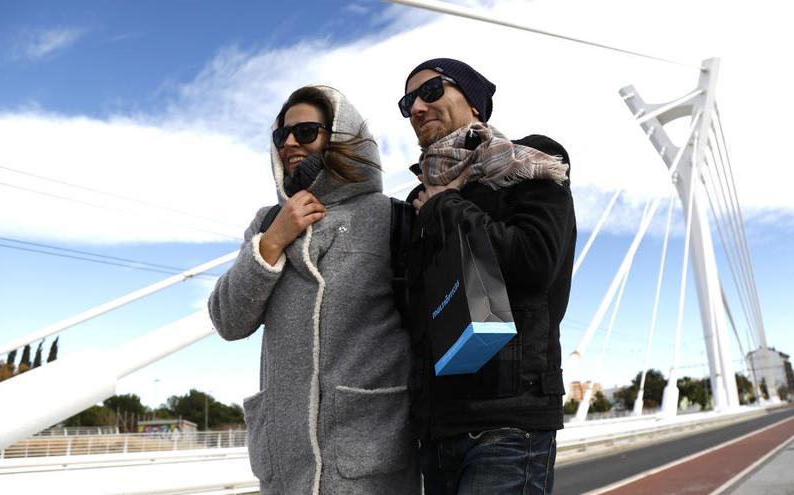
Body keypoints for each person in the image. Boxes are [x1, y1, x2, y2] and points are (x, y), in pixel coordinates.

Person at [208, 85, 419, 494]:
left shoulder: (392, 217)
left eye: (305, 132)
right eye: (281, 135)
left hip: (371, 457)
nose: (289, 143)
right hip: (286, 466)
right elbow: (228, 321)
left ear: (340, 137)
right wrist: (272, 242)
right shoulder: (266, 222)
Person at [397, 58, 577, 494]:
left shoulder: (529, 162)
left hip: (509, 421)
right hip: (437, 430)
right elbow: (410, 313)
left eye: (432, 90)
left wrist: (447, 207)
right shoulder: (416, 198)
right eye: (407, 102)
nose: (417, 107)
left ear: (475, 104)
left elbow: (536, 263)